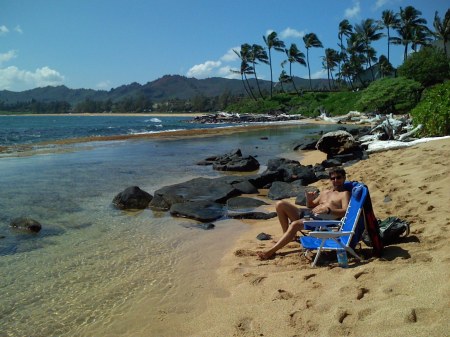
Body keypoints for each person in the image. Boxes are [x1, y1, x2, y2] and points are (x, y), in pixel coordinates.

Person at [257, 167, 351, 260]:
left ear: (344, 178)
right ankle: (288, 236)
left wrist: (328, 210)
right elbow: (311, 206)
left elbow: (345, 211)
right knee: (280, 204)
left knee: (295, 224)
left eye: (338, 177)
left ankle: (270, 252)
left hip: (321, 220)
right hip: (309, 213)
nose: (335, 180)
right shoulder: (325, 192)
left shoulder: (344, 194)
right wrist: (309, 199)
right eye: (333, 178)